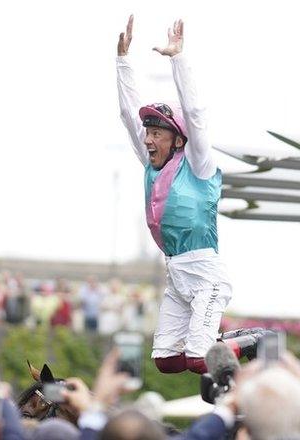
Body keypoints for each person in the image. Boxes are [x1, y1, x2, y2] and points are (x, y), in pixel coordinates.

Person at [116, 16, 262, 374]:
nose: (148, 139)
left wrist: (177, 60)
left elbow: (195, 115)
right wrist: (122, 62)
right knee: (165, 362)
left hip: (205, 274)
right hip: (176, 275)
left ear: (177, 140)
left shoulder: (196, 162)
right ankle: (223, 343)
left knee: (200, 360)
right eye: (147, 133)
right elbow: (126, 115)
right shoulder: (152, 164)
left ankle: (254, 339)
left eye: (156, 133)